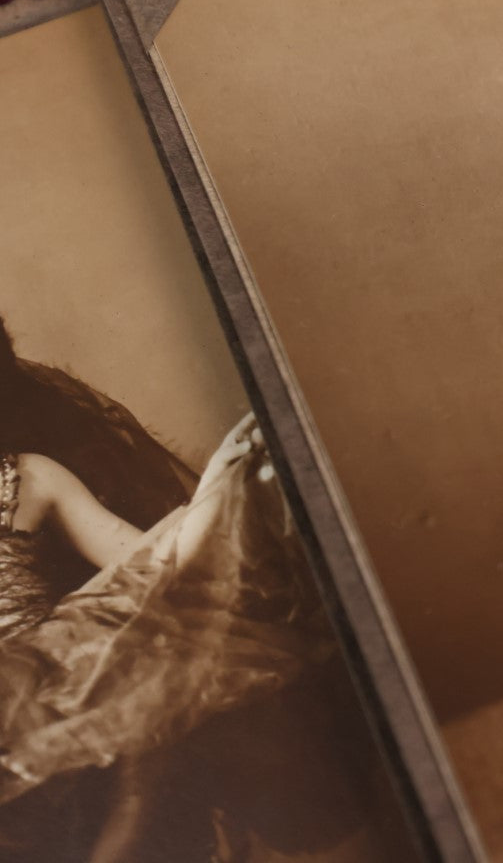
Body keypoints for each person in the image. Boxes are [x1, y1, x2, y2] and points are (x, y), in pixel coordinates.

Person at [0, 318, 354, 861]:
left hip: (66, 678)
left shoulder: (28, 477)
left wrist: (219, 481)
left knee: (140, 786)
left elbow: (143, 561)